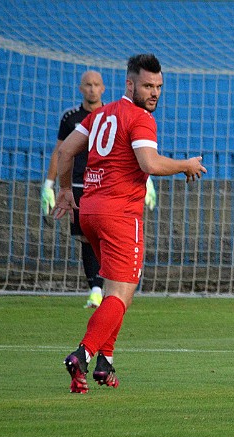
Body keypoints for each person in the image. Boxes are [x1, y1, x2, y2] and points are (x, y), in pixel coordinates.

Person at [52, 54, 206, 393]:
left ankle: (105, 363)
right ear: (129, 84)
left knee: (114, 291)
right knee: (122, 294)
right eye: (148, 86)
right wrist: (185, 164)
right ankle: (83, 354)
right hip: (120, 215)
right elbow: (148, 163)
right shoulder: (140, 118)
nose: (154, 93)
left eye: (159, 87)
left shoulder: (99, 114)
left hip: (89, 210)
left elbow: (65, 153)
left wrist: (65, 190)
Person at [41, 70, 157, 308]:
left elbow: (129, 155)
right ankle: (98, 290)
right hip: (81, 186)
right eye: (88, 85)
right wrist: (50, 184)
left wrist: (147, 181)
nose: (93, 89)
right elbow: (61, 151)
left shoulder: (105, 114)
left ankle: (101, 290)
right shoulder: (74, 117)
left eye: (97, 85)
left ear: (103, 88)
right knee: (88, 240)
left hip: (101, 189)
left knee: (96, 237)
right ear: (81, 88)